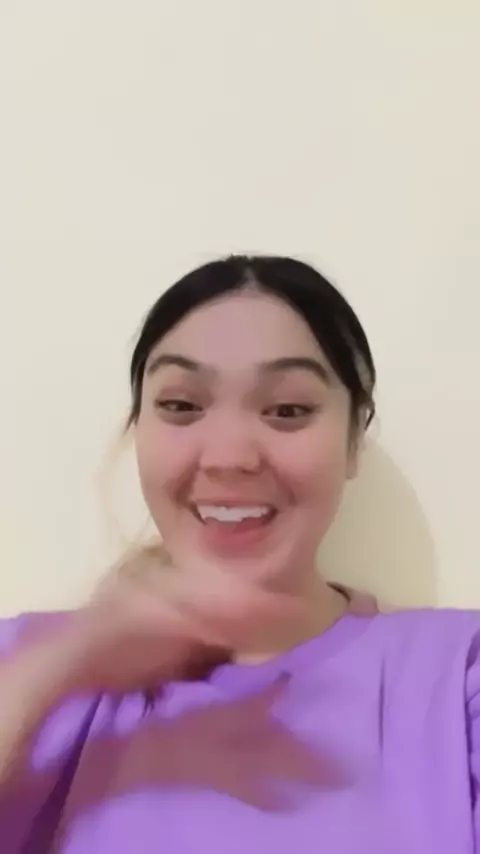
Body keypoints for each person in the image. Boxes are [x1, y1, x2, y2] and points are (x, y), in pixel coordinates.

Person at [0, 255, 478, 854]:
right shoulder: (24, 665)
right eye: (181, 406)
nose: (229, 457)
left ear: (354, 439)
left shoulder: (458, 678)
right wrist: (60, 668)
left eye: (288, 410)